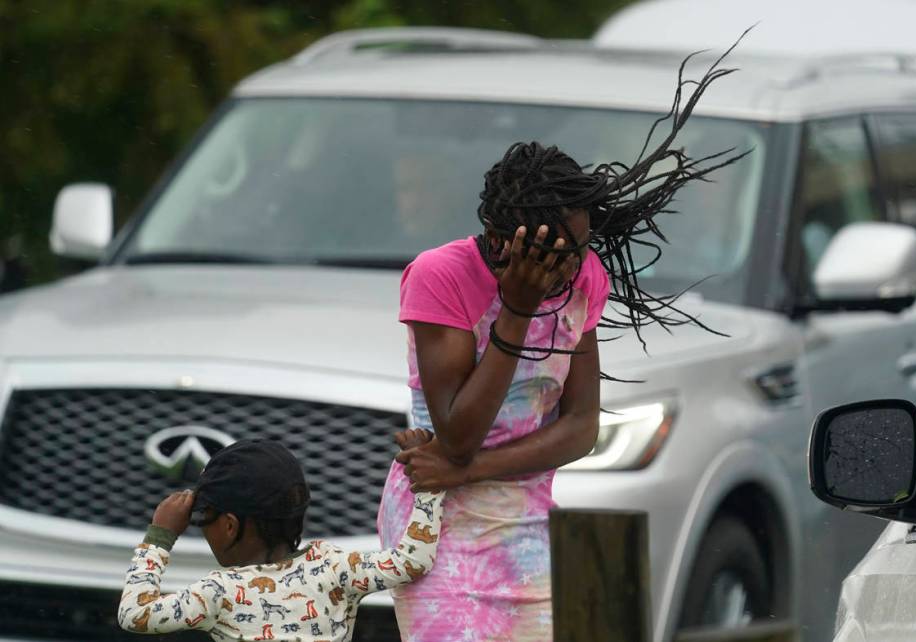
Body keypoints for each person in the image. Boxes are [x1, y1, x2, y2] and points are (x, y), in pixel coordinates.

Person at [377, 43, 749, 642]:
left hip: (523, 527)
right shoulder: (440, 276)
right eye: (562, 248)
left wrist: (468, 472)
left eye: (583, 245)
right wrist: (517, 312)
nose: (578, 265)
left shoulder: (585, 279)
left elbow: (579, 428)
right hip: (436, 531)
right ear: (506, 238)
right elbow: (458, 434)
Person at [118, 431, 443, 642]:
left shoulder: (219, 592)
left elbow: (134, 615)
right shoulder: (334, 567)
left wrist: (159, 538)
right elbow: (413, 560)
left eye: (202, 518)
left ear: (230, 525)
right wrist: (429, 481)